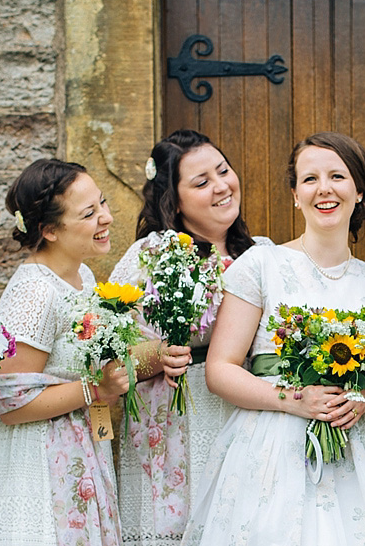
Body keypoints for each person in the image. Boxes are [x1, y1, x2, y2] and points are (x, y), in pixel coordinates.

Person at [181, 132, 365, 545]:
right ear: (295, 195)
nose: (324, 189)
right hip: (269, 448)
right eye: (310, 179)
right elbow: (219, 370)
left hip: (353, 451)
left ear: (359, 191)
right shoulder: (261, 264)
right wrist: (295, 401)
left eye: (337, 177)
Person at [109, 129, 270, 545]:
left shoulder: (262, 254)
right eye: (201, 182)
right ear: (173, 200)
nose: (221, 186)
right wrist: (157, 356)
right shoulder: (151, 255)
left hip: (246, 412)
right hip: (174, 422)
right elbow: (104, 358)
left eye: (224, 171)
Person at [0, 159, 129, 545]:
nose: (106, 217)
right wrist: (97, 388)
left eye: (103, 203)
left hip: (80, 450)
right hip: (36, 465)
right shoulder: (34, 292)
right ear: (49, 230)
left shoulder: (83, 277)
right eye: (89, 213)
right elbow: (10, 404)